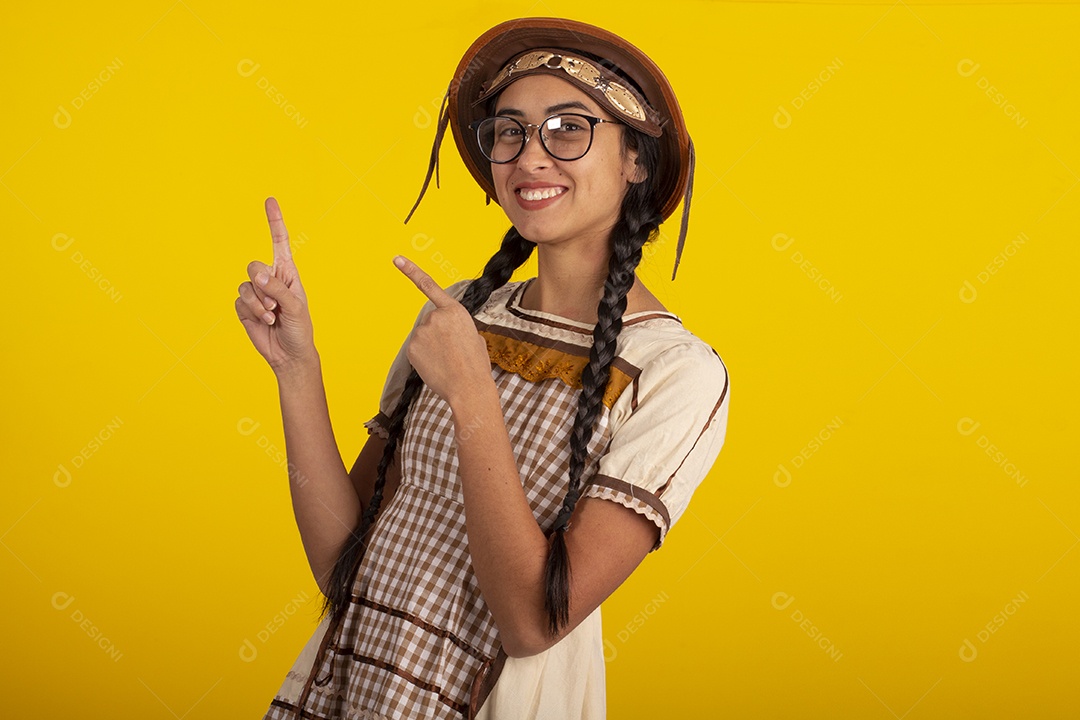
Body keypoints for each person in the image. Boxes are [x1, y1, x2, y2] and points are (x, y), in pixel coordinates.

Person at [235, 17, 730, 720]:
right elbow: (342, 567)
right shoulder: (461, 314)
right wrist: (296, 369)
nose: (530, 156)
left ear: (636, 161)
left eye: (568, 127)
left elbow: (532, 624)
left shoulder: (677, 373)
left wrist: (472, 395)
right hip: (354, 687)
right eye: (510, 130)